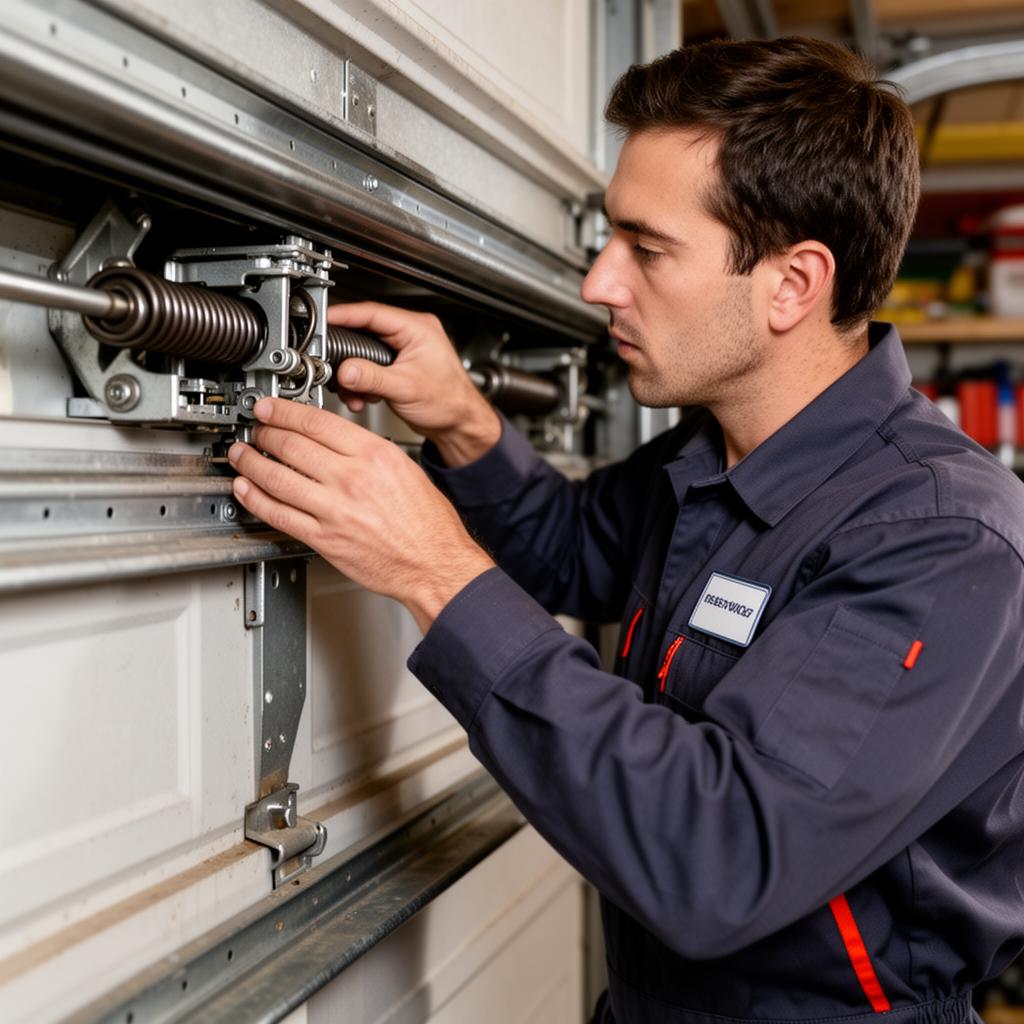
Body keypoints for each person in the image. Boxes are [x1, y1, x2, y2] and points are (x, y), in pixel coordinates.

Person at [228, 37, 1024, 1024]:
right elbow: (571, 547)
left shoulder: (940, 538)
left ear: (793, 283)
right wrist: (462, 420)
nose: (601, 282)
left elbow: (720, 855)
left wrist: (432, 567)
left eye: (647, 250)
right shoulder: (713, 454)